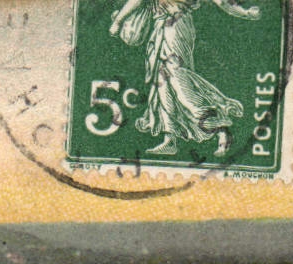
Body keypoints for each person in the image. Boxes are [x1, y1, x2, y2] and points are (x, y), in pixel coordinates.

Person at [109, 0, 261, 156]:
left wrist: (246, 13)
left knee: (178, 82)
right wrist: (119, 20)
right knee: (162, 84)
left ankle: (221, 128)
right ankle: (170, 139)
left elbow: (222, 1)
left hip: (176, 28)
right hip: (161, 26)